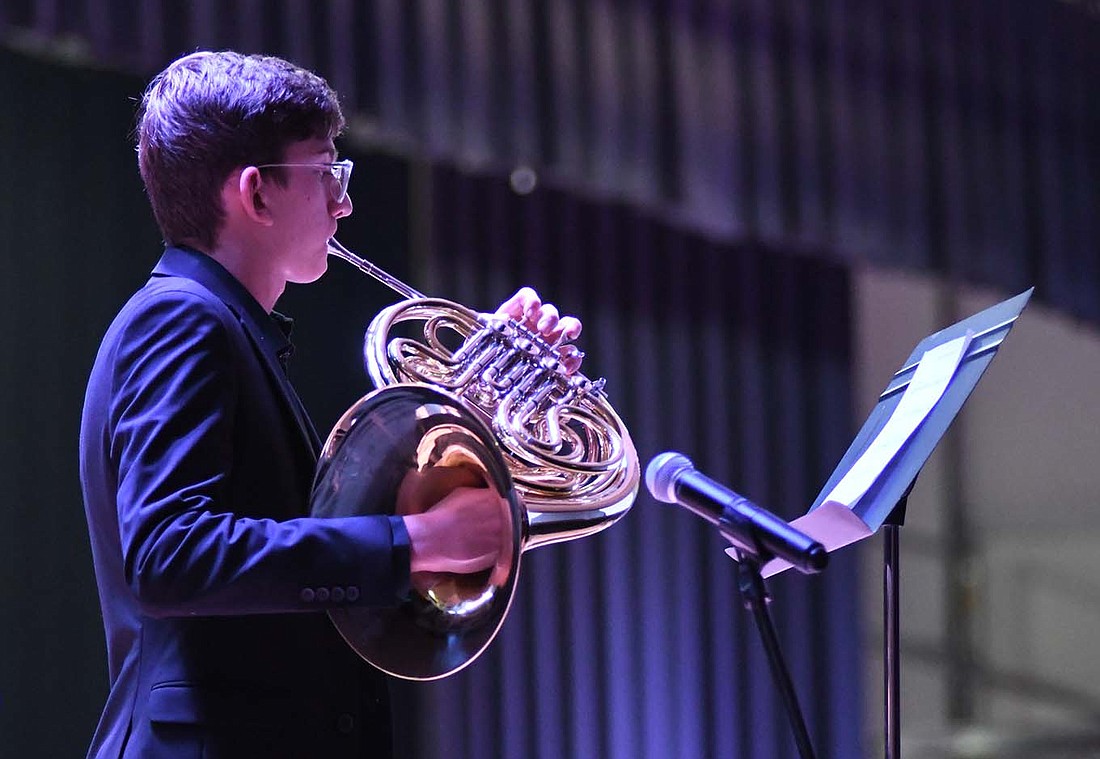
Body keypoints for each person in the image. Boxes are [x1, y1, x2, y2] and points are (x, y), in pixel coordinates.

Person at [79, 50, 582, 758]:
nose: (344, 203)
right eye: (327, 174)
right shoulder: (181, 319)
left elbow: (309, 535)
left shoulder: (220, 328)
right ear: (255, 194)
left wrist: (496, 394)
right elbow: (171, 553)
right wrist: (418, 541)